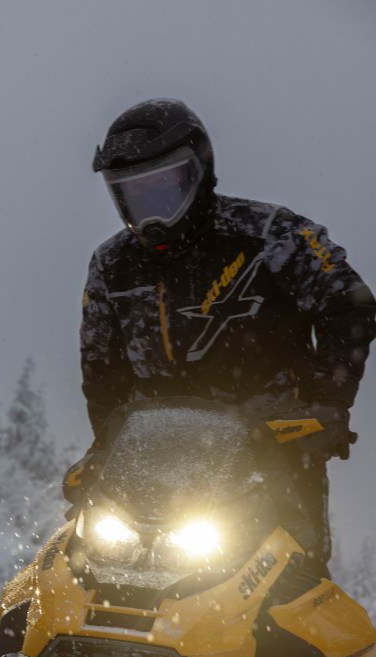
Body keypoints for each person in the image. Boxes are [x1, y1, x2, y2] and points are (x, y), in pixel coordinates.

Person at [78, 99, 376, 567]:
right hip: (157, 454)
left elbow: (349, 305)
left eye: (162, 189)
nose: (152, 212)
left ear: (197, 174)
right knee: (102, 570)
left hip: (274, 446)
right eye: (134, 194)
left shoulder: (271, 234)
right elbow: (101, 369)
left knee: (290, 577)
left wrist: (327, 402)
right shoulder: (112, 264)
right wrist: (106, 446)